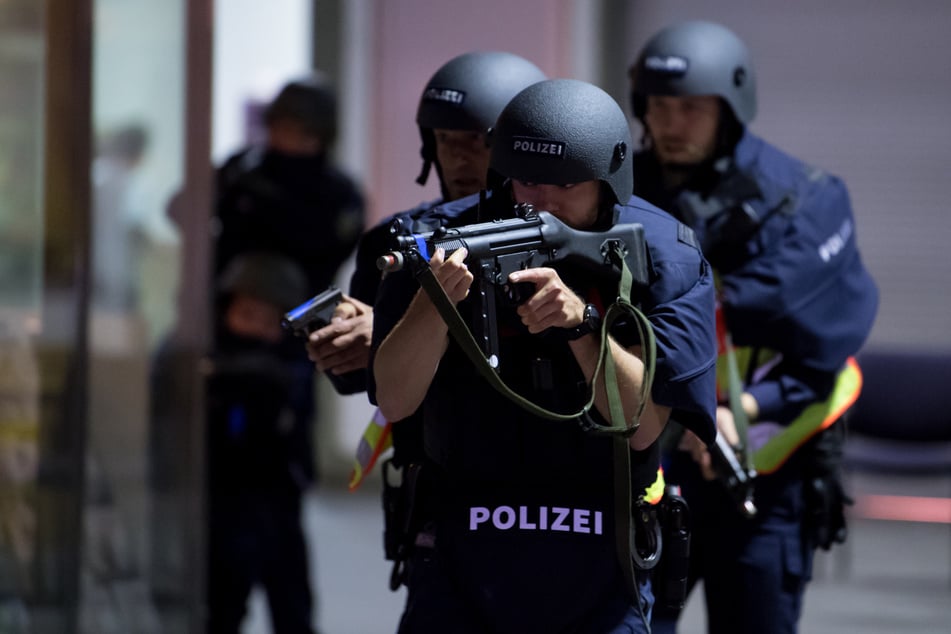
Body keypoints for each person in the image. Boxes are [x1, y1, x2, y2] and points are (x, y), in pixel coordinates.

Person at [370, 78, 717, 634]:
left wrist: (581, 324)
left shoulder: (665, 254)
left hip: (600, 560)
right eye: (528, 181)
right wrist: (435, 302)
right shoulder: (436, 236)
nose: (543, 203)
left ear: (609, 181)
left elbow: (644, 424)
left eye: (568, 184)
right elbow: (395, 398)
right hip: (463, 551)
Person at [627, 20, 879, 633]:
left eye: (692, 108)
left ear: (731, 109)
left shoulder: (805, 202)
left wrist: (740, 411)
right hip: (642, 469)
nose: (671, 123)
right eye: (659, 106)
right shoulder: (617, 194)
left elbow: (823, 359)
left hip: (763, 475)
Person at [304, 52, 547, 576]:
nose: (459, 157)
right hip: (441, 498)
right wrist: (346, 343)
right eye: (445, 141)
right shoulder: (396, 240)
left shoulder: (560, 234)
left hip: (550, 502)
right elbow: (371, 388)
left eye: (477, 142)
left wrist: (397, 329)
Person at [204, 252, 315, 634]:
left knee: (292, 609)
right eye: (247, 314)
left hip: (277, 505)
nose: (256, 329)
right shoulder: (205, 363)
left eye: (270, 322)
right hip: (218, 509)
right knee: (220, 608)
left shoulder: (292, 368)